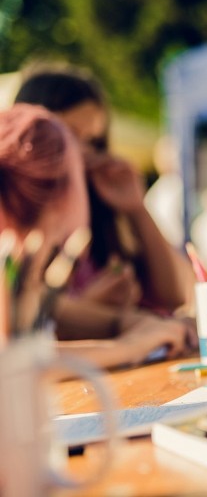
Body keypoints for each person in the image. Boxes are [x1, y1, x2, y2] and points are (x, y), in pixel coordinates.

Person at [0, 104, 192, 368]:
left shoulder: (23, 263)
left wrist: (136, 325)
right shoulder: (10, 261)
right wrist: (130, 346)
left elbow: (58, 314)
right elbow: (18, 364)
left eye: (94, 143)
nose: (90, 158)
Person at [14, 63, 190, 315]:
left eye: (94, 141)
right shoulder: (17, 217)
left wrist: (137, 209)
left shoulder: (101, 206)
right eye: (72, 135)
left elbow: (174, 295)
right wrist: (88, 309)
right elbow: (24, 317)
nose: (85, 153)